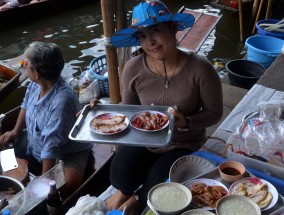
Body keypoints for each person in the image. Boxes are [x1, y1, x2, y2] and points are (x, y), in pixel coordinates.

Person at [95, 0, 223, 214]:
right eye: (142, 36)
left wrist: (187, 122)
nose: (150, 42)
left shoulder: (201, 68)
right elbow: (129, 111)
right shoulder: (132, 68)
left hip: (183, 141)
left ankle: (137, 199)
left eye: (155, 31)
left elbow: (214, 113)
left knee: (157, 188)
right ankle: (124, 192)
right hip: (144, 139)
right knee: (119, 173)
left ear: (173, 29)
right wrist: (99, 111)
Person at [0, 41, 94, 200]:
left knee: (60, 189)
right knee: (3, 146)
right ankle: (19, 175)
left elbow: (51, 146)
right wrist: (15, 131)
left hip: (68, 151)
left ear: (36, 73)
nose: (24, 68)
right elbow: (25, 106)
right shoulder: (35, 85)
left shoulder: (62, 101)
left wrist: (42, 180)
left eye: (26, 65)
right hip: (36, 140)